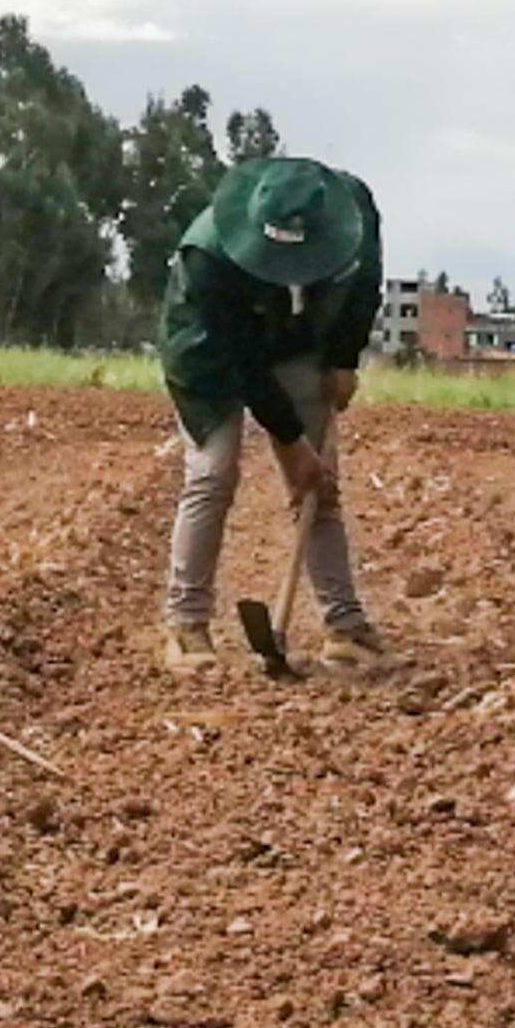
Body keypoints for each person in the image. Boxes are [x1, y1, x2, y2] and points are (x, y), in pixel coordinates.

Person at [157, 154, 396, 673]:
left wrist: (342, 358)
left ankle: (344, 628)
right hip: (208, 351)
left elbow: (363, 290)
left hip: (298, 339)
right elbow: (242, 361)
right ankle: (186, 623)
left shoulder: (356, 212)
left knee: (319, 487)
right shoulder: (209, 255)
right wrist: (289, 440)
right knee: (213, 473)